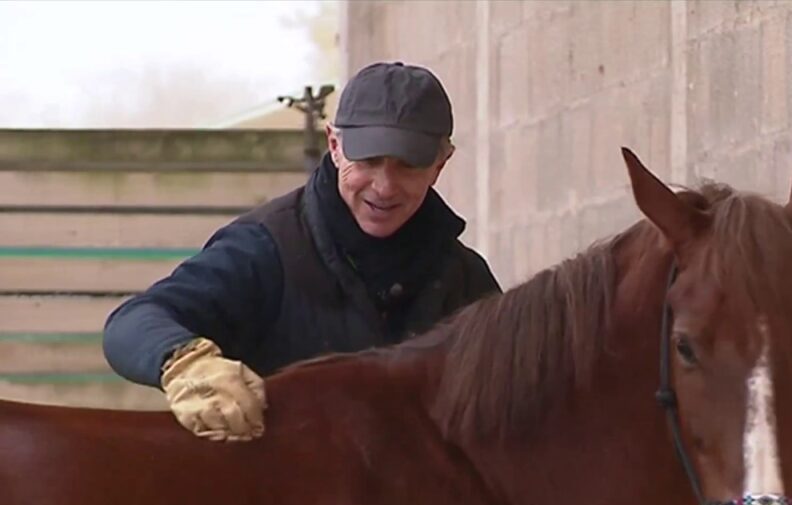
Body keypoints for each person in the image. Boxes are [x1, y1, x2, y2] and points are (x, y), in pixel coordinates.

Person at [103, 62, 501, 442]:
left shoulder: (466, 279)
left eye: (407, 166)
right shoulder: (264, 249)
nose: (384, 186)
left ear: (440, 163)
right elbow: (133, 321)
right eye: (369, 160)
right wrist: (186, 362)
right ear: (335, 145)